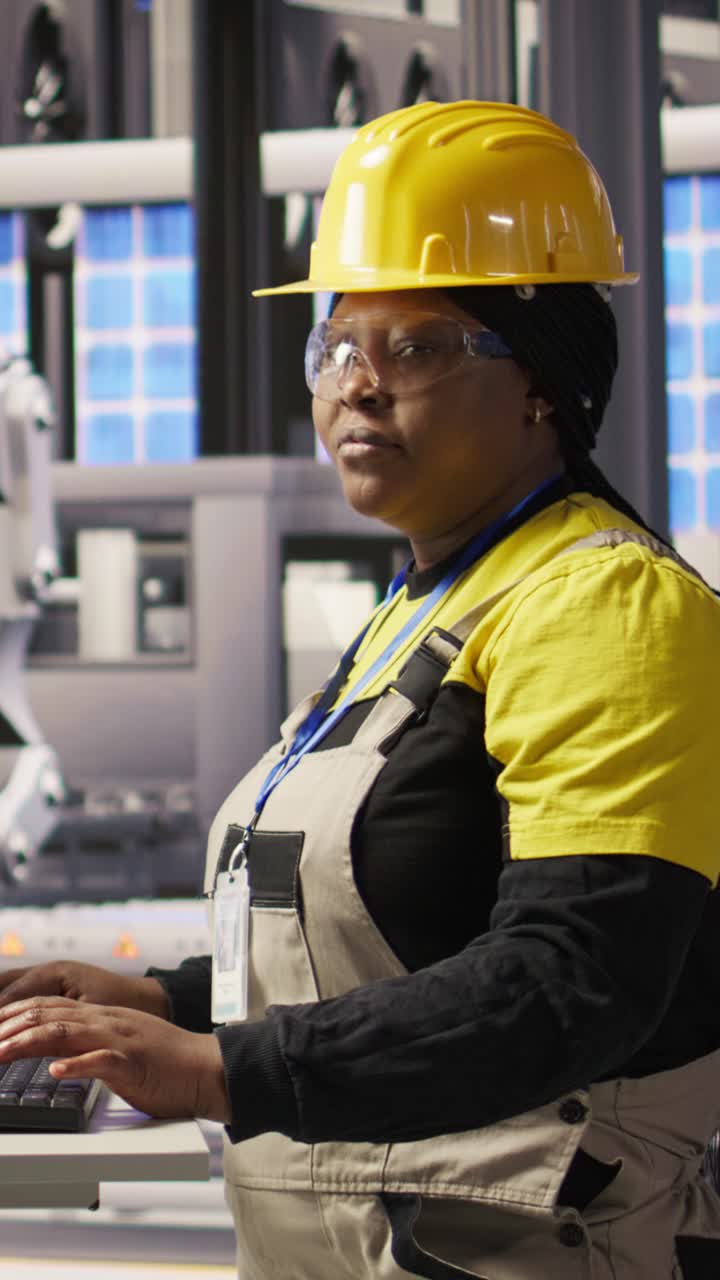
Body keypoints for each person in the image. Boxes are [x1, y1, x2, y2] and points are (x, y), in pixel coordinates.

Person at [0, 100, 719, 1279]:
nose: (356, 387)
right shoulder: (422, 607)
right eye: (334, 346)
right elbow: (393, 943)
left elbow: (570, 978)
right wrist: (162, 998)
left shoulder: (603, 606)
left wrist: (223, 1067)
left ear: (543, 380)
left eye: (419, 345)